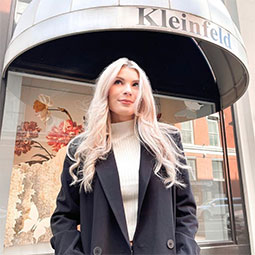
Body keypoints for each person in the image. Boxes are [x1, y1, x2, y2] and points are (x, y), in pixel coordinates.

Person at [50, 58, 200, 255]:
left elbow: (185, 210)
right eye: (118, 82)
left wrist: (185, 251)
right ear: (106, 89)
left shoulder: (166, 142)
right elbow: (64, 217)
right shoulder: (82, 150)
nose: (128, 90)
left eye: (136, 84)